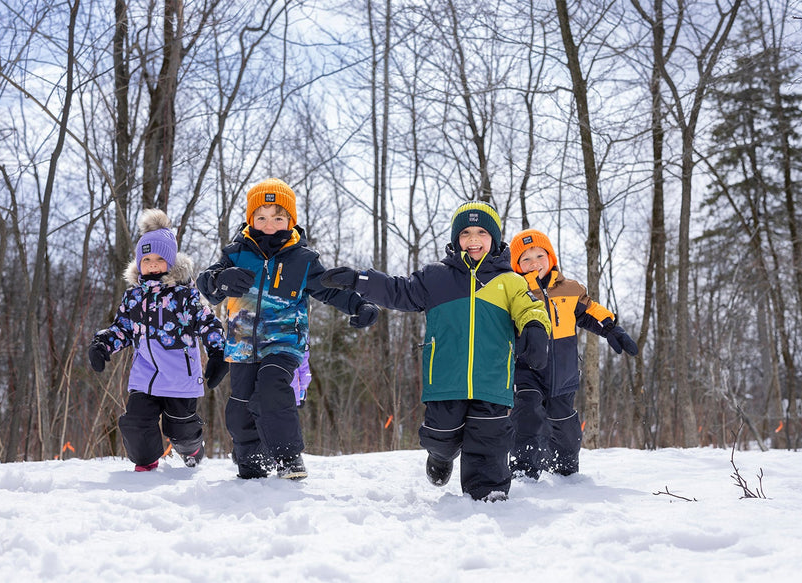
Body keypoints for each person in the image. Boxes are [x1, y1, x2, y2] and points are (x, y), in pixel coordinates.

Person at [320, 201, 551, 501]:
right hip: (444, 378)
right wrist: (359, 280)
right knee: (441, 434)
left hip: (492, 378)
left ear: (494, 239)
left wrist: (535, 328)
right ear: (456, 239)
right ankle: (441, 456)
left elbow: (530, 307)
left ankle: (489, 490)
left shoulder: (509, 281)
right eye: (466, 232)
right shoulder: (436, 277)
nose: (473, 239)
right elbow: (397, 290)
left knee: (490, 437)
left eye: (482, 231)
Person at [197, 178, 379, 480]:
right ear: (251, 219)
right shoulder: (235, 254)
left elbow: (330, 289)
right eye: (262, 217)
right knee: (241, 405)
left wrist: (360, 305)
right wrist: (219, 281)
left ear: (290, 220)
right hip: (242, 345)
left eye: (278, 217)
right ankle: (251, 460)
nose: (270, 224)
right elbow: (210, 284)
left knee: (271, 386)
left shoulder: (303, 259)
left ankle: (288, 456)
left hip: (284, 343)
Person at [88, 209, 228, 472]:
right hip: (145, 376)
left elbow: (208, 322)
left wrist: (218, 352)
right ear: (139, 263)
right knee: (136, 422)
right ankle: (146, 462)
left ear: (171, 262)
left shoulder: (185, 296)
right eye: (146, 258)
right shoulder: (134, 298)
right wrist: (103, 344)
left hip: (180, 379)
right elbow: (123, 328)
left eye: (159, 258)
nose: (152, 264)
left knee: (181, 429)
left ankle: (192, 449)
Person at [506, 228, 638, 479]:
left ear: (551, 257)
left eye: (539, 255)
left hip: (563, 373)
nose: (534, 263)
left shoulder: (570, 289)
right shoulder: (515, 293)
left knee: (565, 425)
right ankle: (523, 470)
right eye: (526, 259)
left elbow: (590, 311)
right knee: (528, 414)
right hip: (527, 370)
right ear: (517, 265)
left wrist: (611, 328)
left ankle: (566, 472)